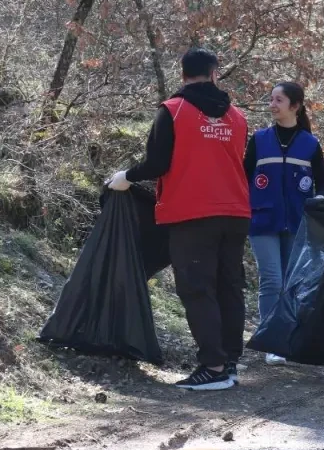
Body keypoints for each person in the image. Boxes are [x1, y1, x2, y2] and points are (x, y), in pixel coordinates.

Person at [105, 48, 250, 391]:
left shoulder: (173, 110)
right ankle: (228, 362)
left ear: (182, 74)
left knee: (198, 288)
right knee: (228, 287)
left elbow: (156, 164)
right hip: (236, 212)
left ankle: (212, 368)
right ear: (215, 73)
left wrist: (126, 175)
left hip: (193, 212)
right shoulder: (238, 117)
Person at [243, 81, 324, 366]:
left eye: (278, 100)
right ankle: (272, 340)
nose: (272, 105)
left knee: (291, 283)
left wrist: (316, 200)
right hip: (262, 220)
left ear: (295, 106)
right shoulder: (259, 139)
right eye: (271, 99)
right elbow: (243, 179)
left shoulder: (310, 144)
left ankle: (289, 336)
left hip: (296, 223)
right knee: (272, 279)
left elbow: (323, 184)